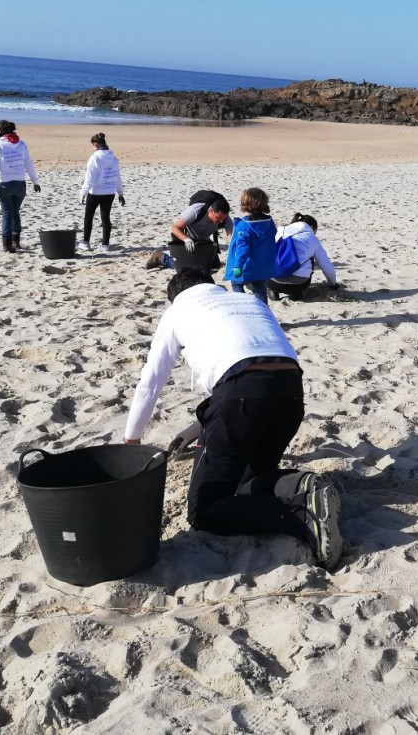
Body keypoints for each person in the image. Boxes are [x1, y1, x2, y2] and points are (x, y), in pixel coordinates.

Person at [123, 267, 343, 570]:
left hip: (241, 397)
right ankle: (301, 485)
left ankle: (301, 510)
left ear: (174, 297)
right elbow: (253, 364)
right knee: (248, 481)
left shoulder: (178, 311)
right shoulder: (248, 301)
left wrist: (131, 440)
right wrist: (198, 426)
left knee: (205, 511)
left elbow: (151, 382)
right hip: (290, 393)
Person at [0, 120, 40, 252]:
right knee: (15, 212)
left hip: (4, 184)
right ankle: (16, 242)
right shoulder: (21, 144)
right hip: (20, 184)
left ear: (0, 131)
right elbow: (29, 164)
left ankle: (7, 245)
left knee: (6, 214)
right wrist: (35, 182)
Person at [145, 193, 233, 272]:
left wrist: (231, 241)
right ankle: (160, 257)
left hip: (204, 241)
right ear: (211, 211)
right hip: (188, 239)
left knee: (214, 265)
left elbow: (231, 236)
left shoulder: (224, 217)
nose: (221, 221)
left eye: (223, 218)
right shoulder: (195, 210)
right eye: (218, 218)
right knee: (188, 268)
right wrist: (186, 239)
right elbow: (175, 227)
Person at [268, 213, 339, 301]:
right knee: (310, 259)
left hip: (272, 280)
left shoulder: (278, 231)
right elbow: (326, 265)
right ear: (312, 227)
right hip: (297, 284)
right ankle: (296, 294)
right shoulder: (311, 238)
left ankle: (273, 290)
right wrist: (333, 284)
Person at [223, 188, 276, 304]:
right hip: (263, 265)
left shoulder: (244, 225)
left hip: (247, 265)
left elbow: (242, 247)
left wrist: (237, 265)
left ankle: (243, 306)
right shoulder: (269, 222)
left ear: (245, 205)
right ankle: (262, 311)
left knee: (236, 283)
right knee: (260, 288)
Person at [78, 132, 125, 253]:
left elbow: (89, 179)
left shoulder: (95, 158)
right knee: (106, 218)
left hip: (95, 193)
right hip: (110, 192)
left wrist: (83, 193)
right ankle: (105, 245)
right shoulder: (113, 158)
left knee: (88, 217)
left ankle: (85, 242)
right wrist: (120, 193)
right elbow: (117, 177)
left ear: (95, 144)